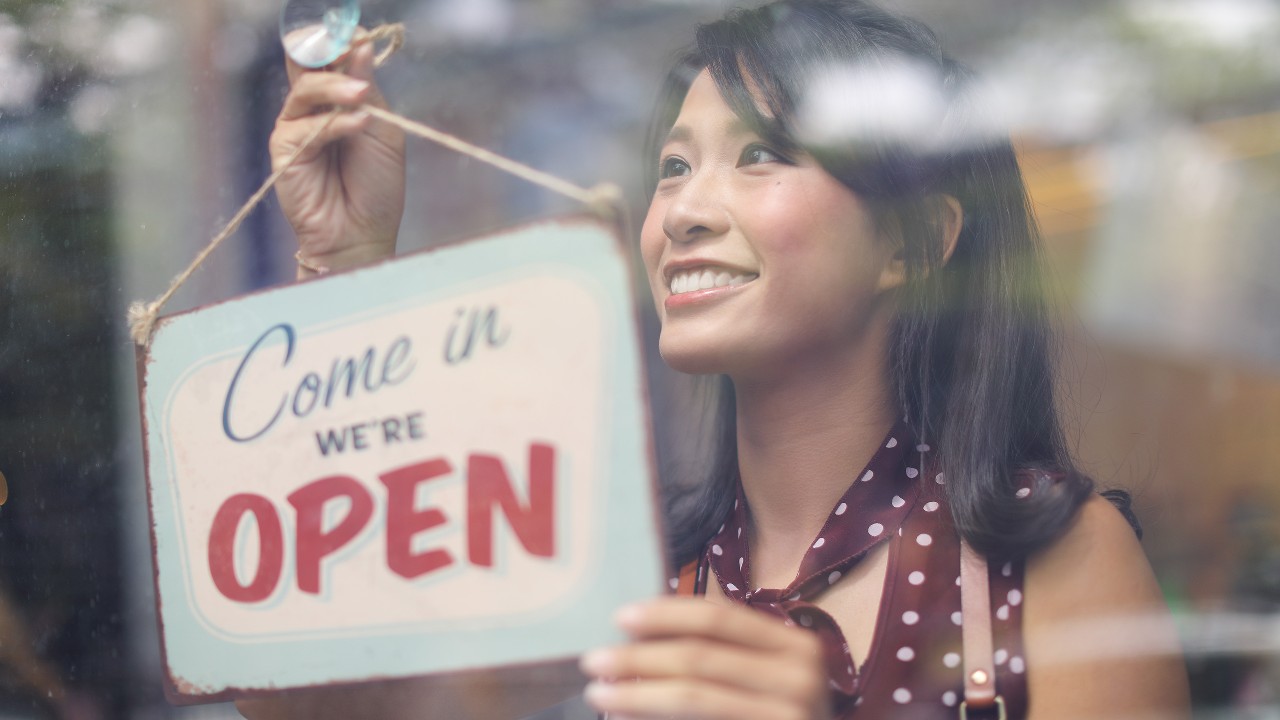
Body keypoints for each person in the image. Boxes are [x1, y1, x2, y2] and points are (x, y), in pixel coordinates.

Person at [249, 1, 1191, 718]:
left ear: (913, 244)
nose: (686, 212)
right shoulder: (616, 567)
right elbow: (316, 688)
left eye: (761, 156)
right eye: (672, 166)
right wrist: (345, 263)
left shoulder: (1052, 555)